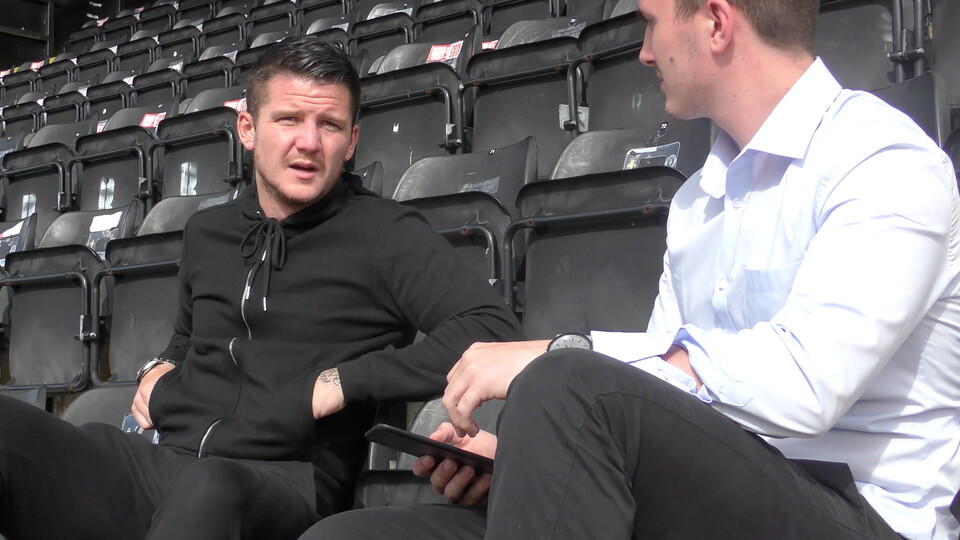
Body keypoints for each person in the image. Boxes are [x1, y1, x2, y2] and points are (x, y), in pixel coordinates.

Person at [300, 0, 960, 538]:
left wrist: (559, 355)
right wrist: (536, 458)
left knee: (569, 384)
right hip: (708, 492)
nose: (643, 52)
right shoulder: (697, 200)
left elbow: (806, 384)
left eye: (650, 23)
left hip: (858, 514)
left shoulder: (883, 161)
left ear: (716, 23)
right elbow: (667, 391)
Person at [0, 36, 523, 540]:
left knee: (211, 487)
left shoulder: (386, 234)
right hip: (168, 461)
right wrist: (160, 366)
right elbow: (189, 336)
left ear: (351, 142)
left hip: (286, 481)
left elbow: (490, 329)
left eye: (329, 125)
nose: (309, 142)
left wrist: (344, 380)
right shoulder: (209, 232)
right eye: (289, 119)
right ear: (248, 129)